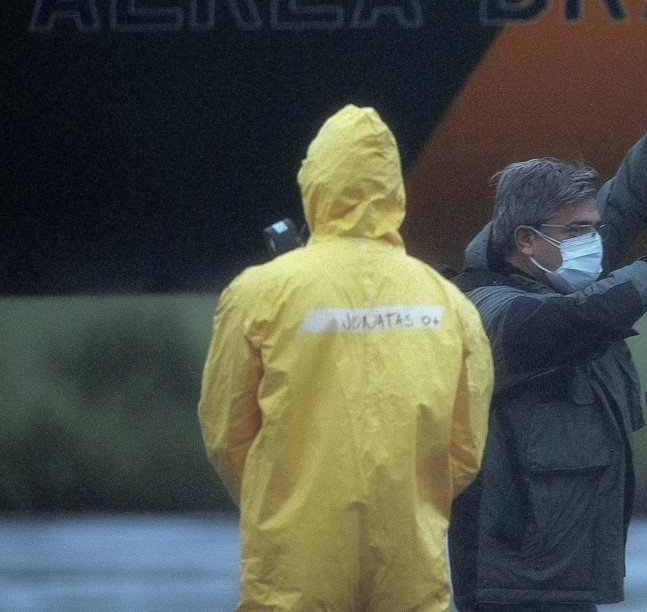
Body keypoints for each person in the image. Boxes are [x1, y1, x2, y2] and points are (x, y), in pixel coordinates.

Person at [447, 43, 647, 611]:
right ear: (525, 239)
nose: (592, 241)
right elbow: (572, 325)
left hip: (565, 571)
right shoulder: (486, 307)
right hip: (514, 577)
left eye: (593, 228)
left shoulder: (558, 274)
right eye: (577, 230)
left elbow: (629, 197)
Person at [198, 104, 493, 611]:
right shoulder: (448, 302)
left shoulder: (258, 292)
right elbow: (465, 449)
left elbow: (227, 435)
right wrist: (411, 495)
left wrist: (280, 494)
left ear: (315, 180)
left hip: (294, 563)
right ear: (394, 189)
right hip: (411, 560)